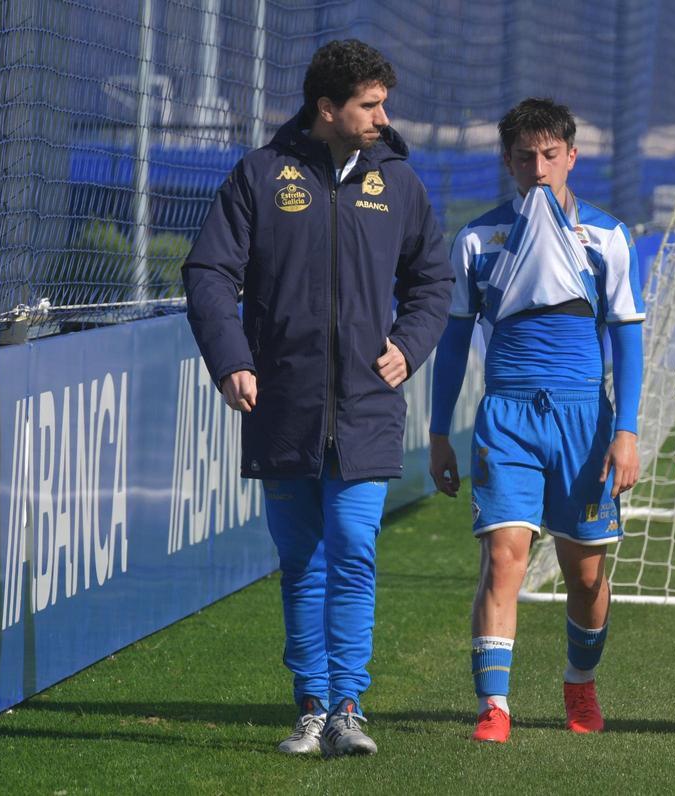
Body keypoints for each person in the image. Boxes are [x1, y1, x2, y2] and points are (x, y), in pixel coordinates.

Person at [182, 39, 453, 757]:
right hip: (282, 409)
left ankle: (348, 707)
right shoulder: (259, 177)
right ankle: (310, 706)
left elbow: (434, 281)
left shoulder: (399, 183)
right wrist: (230, 360)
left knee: (355, 549)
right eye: (370, 104)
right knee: (301, 560)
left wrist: (411, 342)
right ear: (327, 109)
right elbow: (208, 271)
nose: (383, 116)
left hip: (367, 407)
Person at [428, 98, 645, 744]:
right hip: (508, 415)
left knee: (585, 573)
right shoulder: (476, 240)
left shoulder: (607, 236)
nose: (540, 167)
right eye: (526, 156)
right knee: (504, 556)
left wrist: (626, 430)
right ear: (508, 163)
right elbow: (453, 340)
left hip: (585, 420)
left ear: (572, 157)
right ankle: (494, 706)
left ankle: (580, 680)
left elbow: (628, 338)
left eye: (552, 155)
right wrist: (441, 431)